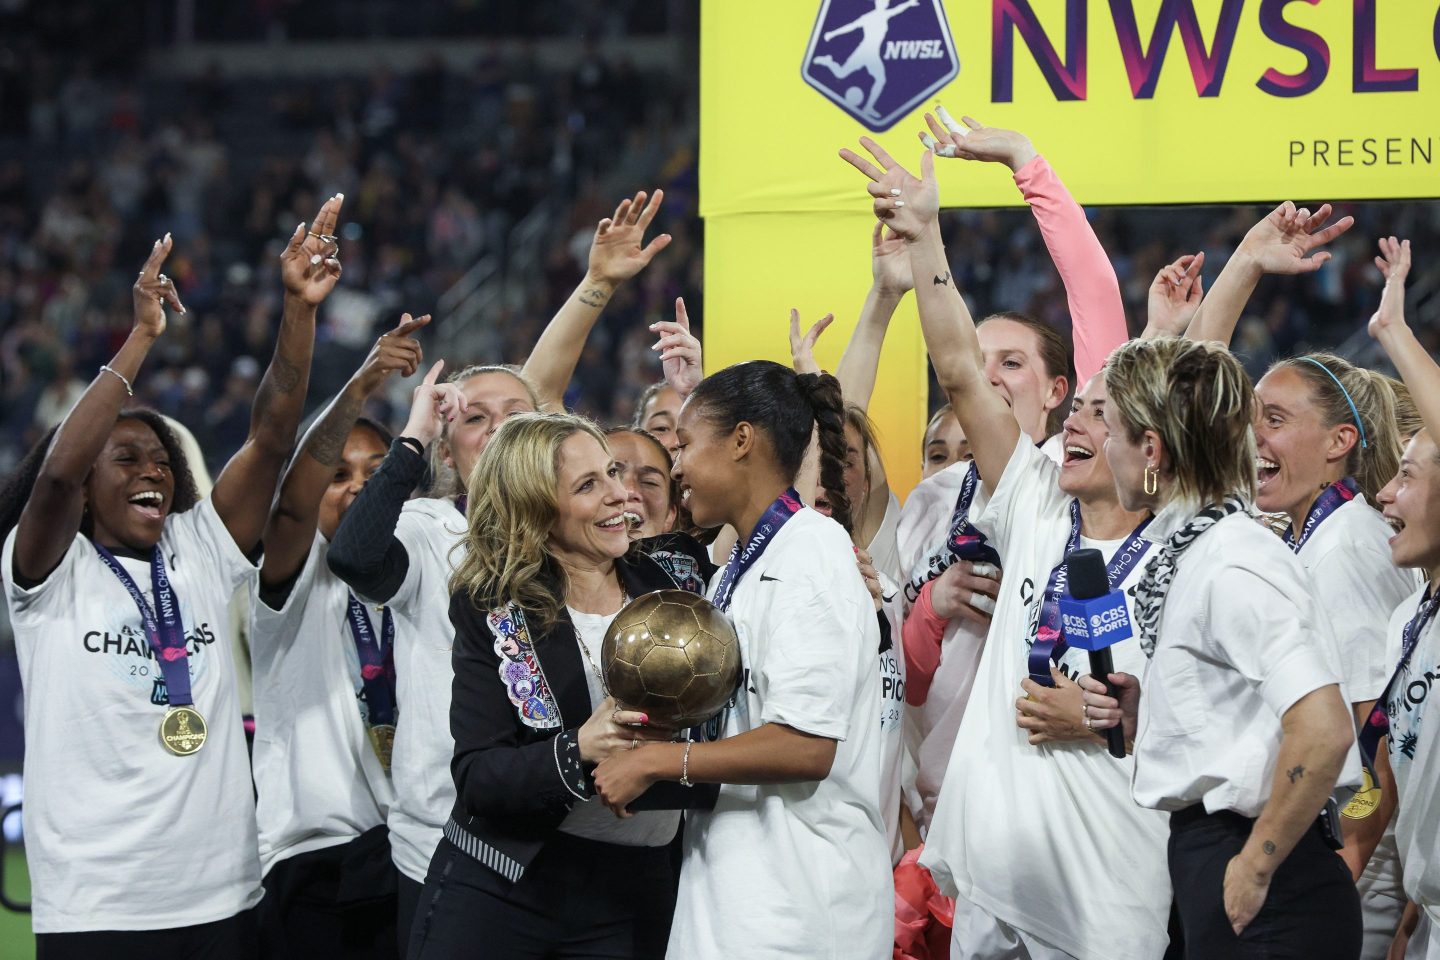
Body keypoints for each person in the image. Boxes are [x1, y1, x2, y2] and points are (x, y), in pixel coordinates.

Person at [327, 189, 671, 947]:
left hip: (589, 843)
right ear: (449, 449)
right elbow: (351, 555)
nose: (500, 429)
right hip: (450, 835)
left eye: (516, 418)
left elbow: (537, 415)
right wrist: (415, 432)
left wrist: (596, 288)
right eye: (473, 418)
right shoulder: (426, 529)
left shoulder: (600, 547)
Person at [856, 139, 1172, 959]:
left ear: (1151, 446)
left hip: (1108, 892)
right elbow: (959, 367)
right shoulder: (1029, 499)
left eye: (1100, 415)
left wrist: (1111, 716)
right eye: (1079, 413)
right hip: (991, 885)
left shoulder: (1188, 545)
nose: (1077, 422)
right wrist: (927, 239)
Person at [0, 199, 340, 958]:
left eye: (162, 459)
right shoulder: (48, 569)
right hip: (95, 907)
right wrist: (142, 339)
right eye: (126, 458)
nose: (153, 468)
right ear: (90, 482)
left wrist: (297, 311)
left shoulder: (201, 548)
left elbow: (272, 436)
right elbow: (54, 477)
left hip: (221, 894)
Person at [592, 360, 892, 960]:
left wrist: (656, 761)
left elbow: (806, 747)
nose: (676, 467)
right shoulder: (735, 567)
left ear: (741, 440)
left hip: (801, 910)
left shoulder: (812, 552)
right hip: (734, 890)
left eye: (683, 446)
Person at [1082, 336, 1362, 960]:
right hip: (1222, 869)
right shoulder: (1198, 553)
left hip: (1268, 886)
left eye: (1114, 428)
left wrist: (1255, 865)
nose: (1105, 445)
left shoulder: (1231, 559)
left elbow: (1323, 729)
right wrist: (1152, 713)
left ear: (1150, 448)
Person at [406, 413, 714, 960]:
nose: (622, 496)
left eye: (613, 473)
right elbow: (478, 775)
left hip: (637, 893)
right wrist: (579, 749)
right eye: (589, 484)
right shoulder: (495, 607)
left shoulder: (675, 581)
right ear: (538, 509)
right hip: (508, 892)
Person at [248, 314, 430, 958]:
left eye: (377, 472)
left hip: (413, 848)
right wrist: (361, 385)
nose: (358, 487)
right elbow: (291, 505)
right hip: (316, 858)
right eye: (339, 474)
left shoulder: (426, 574)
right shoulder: (294, 579)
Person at [1252, 350, 1414, 940]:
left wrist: (1340, 878)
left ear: (1338, 441)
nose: (1254, 437)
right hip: (1319, 844)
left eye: (1273, 419)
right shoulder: (1314, 536)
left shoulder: (1347, 548)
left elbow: (1382, 739)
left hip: (1354, 861)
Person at [1364, 237, 1440, 959]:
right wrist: (1416, 900)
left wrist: (1394, 332)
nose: (1385, 493)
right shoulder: (1408, 616)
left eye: (1410, 476)